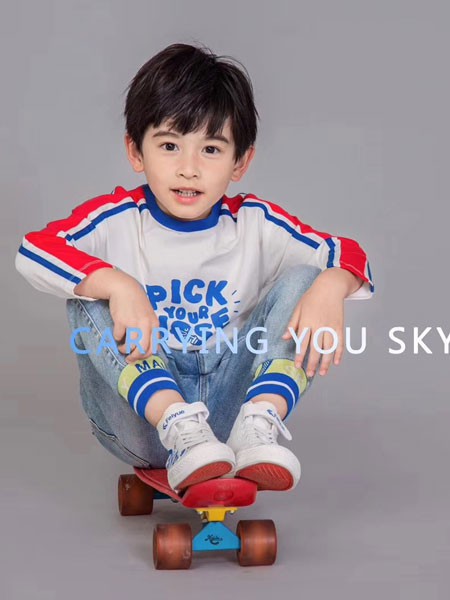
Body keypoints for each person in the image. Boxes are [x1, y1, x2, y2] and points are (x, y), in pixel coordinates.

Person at [15, 42, 374, 493]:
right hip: (142, 422)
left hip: (228, 414)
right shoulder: (117, 220)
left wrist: (331, 286)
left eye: (211, 149)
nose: (189, 168)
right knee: (86, 293)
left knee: (310, 278)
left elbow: (348, 253)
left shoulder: (256, 224)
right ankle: (177, 423)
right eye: (169, 146)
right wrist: (119, 284)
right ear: (136, 152)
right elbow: (35, 250)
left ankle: (258, 425)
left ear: (240, 162)